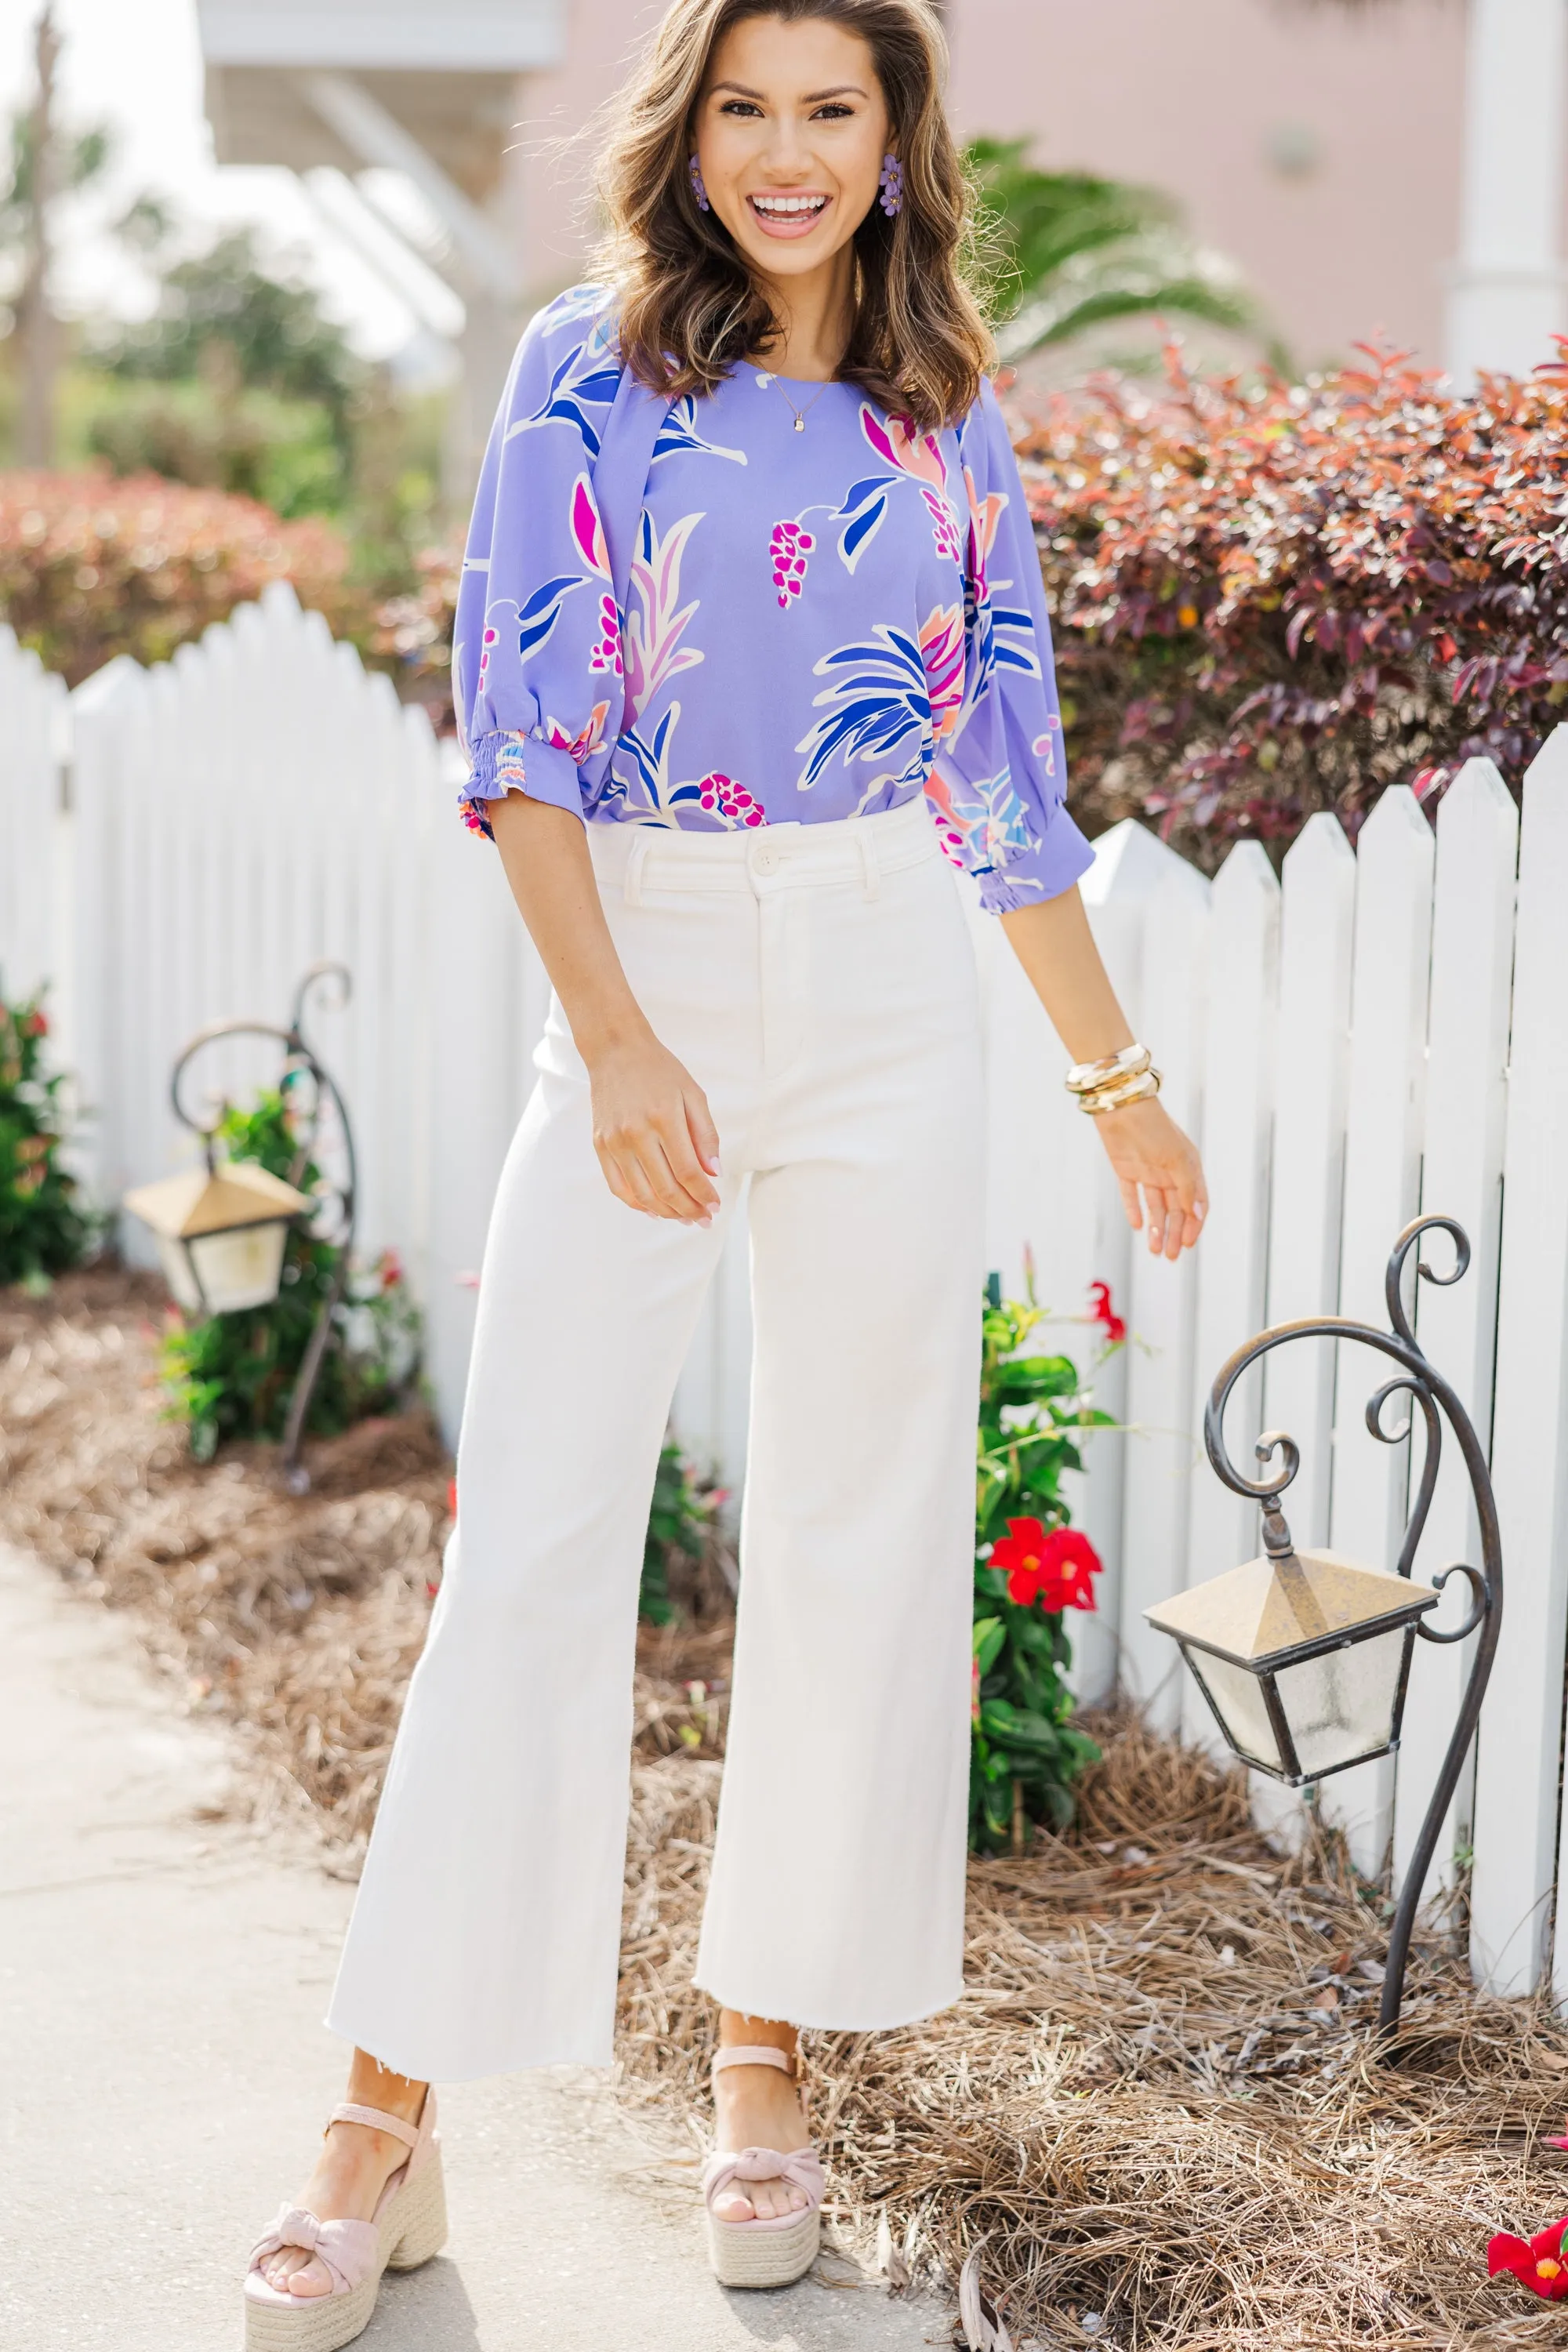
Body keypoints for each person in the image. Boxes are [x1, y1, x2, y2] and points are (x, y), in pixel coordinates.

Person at [242, 0, 1207, 2339]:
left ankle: (763, 2054)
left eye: (831, 111)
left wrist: (1116, 1084)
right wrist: (618, 1039)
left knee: (864, 1517)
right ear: (696, 134)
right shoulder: (587, 369)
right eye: (749, 108)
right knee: (543, 1531)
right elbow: (526, 737)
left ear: (897, 142)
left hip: (884, 971)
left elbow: (1004, 775)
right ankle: (384, 2112)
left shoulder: (948, 405)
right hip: (645, 966)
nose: (786, 154)